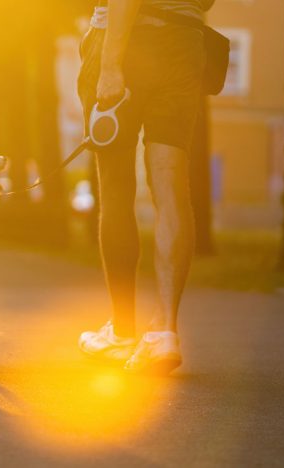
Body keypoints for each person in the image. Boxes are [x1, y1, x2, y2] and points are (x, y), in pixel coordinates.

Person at [77, 0, 215, 374]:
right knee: (171, 188)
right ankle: (164, 333)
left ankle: (122, 332)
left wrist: (109, 64)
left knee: (116, 189)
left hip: (129, 44)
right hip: (184, 46)